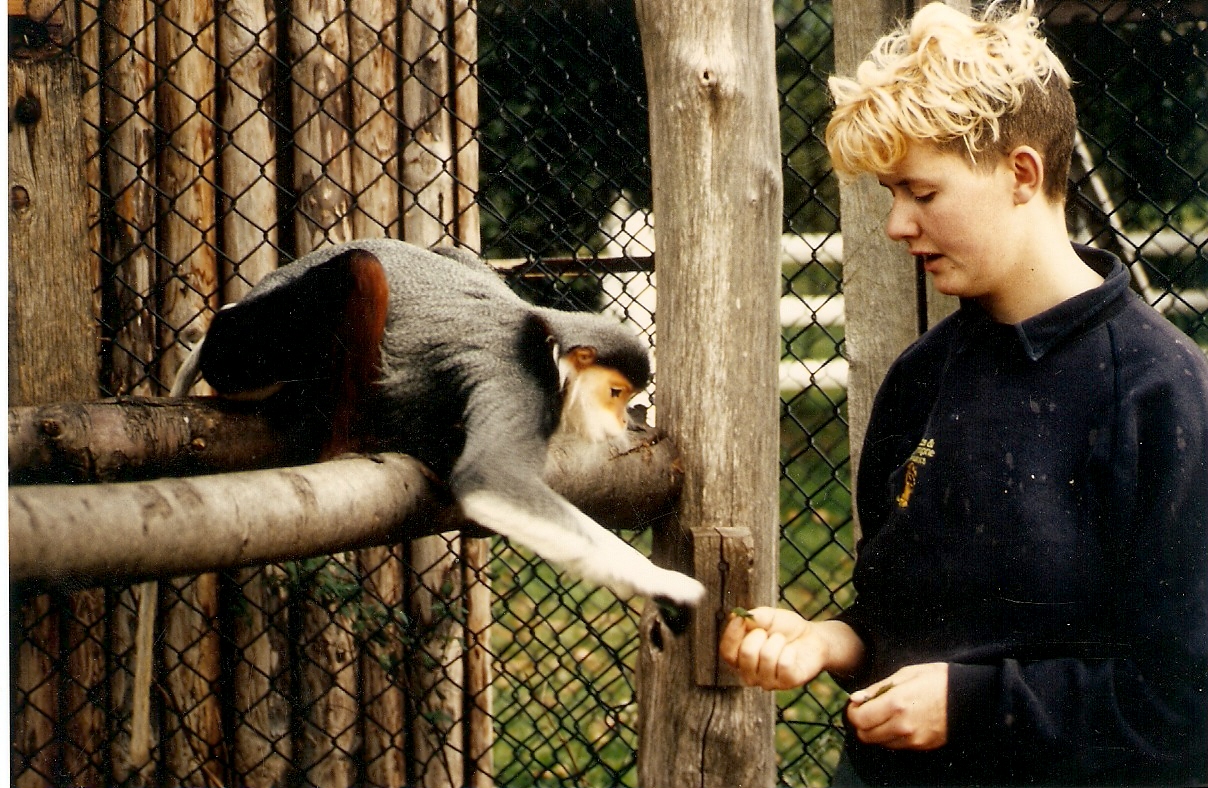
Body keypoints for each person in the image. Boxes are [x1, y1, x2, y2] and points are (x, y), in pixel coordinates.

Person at [719, 2, 1208, 785]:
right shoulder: (922, 375)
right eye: (891, 194)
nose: (896, 225)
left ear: (1023, 174)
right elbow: (902, 621)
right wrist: (829, 641)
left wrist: (976, 705)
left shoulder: (1161, 393)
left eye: (922, 192)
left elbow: (1182, 702)